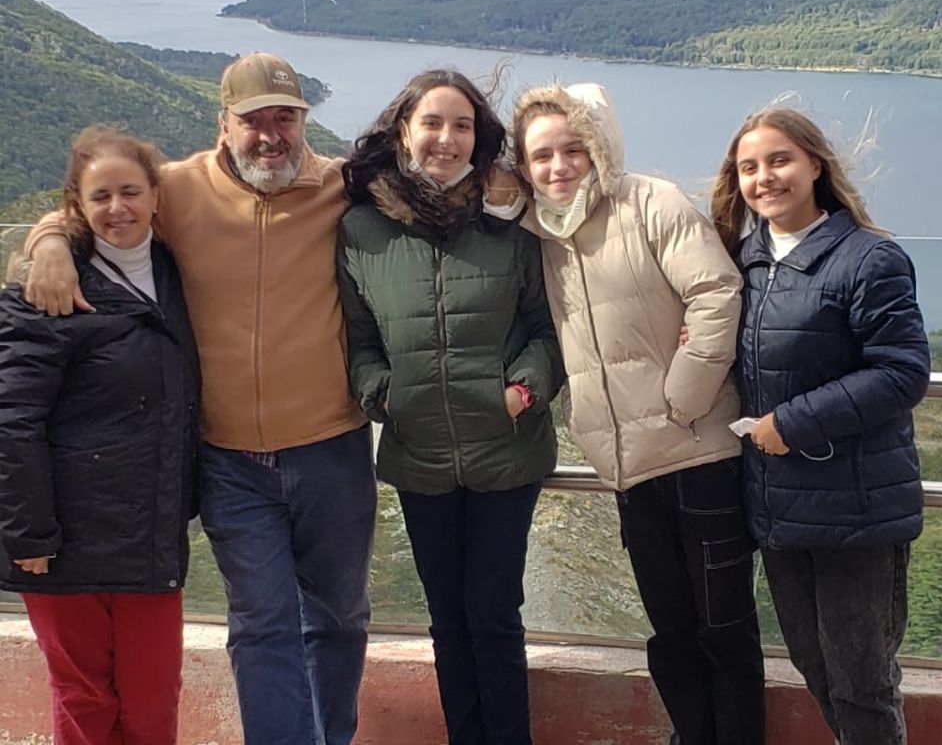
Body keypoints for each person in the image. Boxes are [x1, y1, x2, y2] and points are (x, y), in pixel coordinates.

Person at [20, 53, 376, 745]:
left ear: (303, 120)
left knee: (339, 619)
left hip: (331, 446)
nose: (271, 135)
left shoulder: (340, 187)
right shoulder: (178, 190)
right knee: (263, 623)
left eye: (286, 118)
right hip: (229, 459)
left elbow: (441, 193)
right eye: (254, 121)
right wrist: (49, 243)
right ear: (224, 123)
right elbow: (92, 204)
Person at [508, 83, 764, 745]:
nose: (559, 166)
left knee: (724, 630)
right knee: (672, 633)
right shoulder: (545, 233)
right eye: (542, 156)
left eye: (573, 149)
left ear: (598, 148)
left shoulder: (650, 203)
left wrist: (681, 399)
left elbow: (716, 292)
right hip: (629, 470)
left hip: (699, 453)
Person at [337, 69, 564, 745]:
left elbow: (548, 330)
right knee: (447, 618)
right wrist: (385, 396)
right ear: (403, 131)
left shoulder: (510, 223)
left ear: (479, 137)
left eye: (461, 124)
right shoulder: (360, 229)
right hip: (420, 454)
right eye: (432, 123)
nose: (446, 138)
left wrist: (522, 391)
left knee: (493, 612)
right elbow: (357, 342)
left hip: (507, 449)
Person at [710, 107, 930, 745]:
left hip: (856, 510)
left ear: (814, 165)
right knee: (813, 665)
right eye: (749, 167)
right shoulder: (741, 262)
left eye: (779, 160)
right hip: (778, 509)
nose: (764, 177)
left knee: (862, 681)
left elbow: (901, 373)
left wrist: (793, 423)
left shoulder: (868, 259)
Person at [0, 126, 200, 744]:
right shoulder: (47, 290)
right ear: (76, 205)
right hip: (62, 541)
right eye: (101, 197)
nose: (118, 209)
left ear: (155, 196)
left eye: (131, 192)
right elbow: (11, 419)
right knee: (86, 702)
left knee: (151, 703)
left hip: (149, 536)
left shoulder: (177, 272)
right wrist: (28, 535)